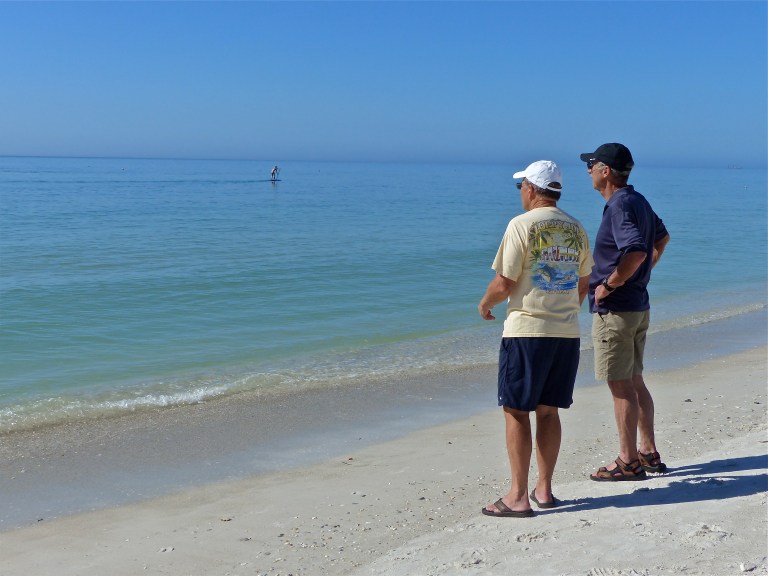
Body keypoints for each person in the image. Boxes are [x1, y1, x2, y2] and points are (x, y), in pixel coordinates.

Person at [478, 160, 593, 517]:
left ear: (531, 188)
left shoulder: (521, 225)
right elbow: (584, 281)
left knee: (515, 410)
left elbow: (505, 283)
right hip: (566, 334)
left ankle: (517, 496)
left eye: (521, 187)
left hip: (527, 332)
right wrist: (565, 308)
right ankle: (544, 489)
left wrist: (485, 303)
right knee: (548, 411)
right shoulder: (577, 228)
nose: (521, 193)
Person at [579, 143, 670, 481]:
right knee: (634, 381)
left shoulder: (619, 206)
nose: (587, 170)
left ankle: (628, 461)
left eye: (590, 164)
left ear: (604, 170)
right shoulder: (638, 200)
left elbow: (634, 251)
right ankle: (647, 452)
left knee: (621, 385)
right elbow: (661, 240)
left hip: (617, 309)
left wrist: (611, 285)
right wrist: (640, 275)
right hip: (637, 305)